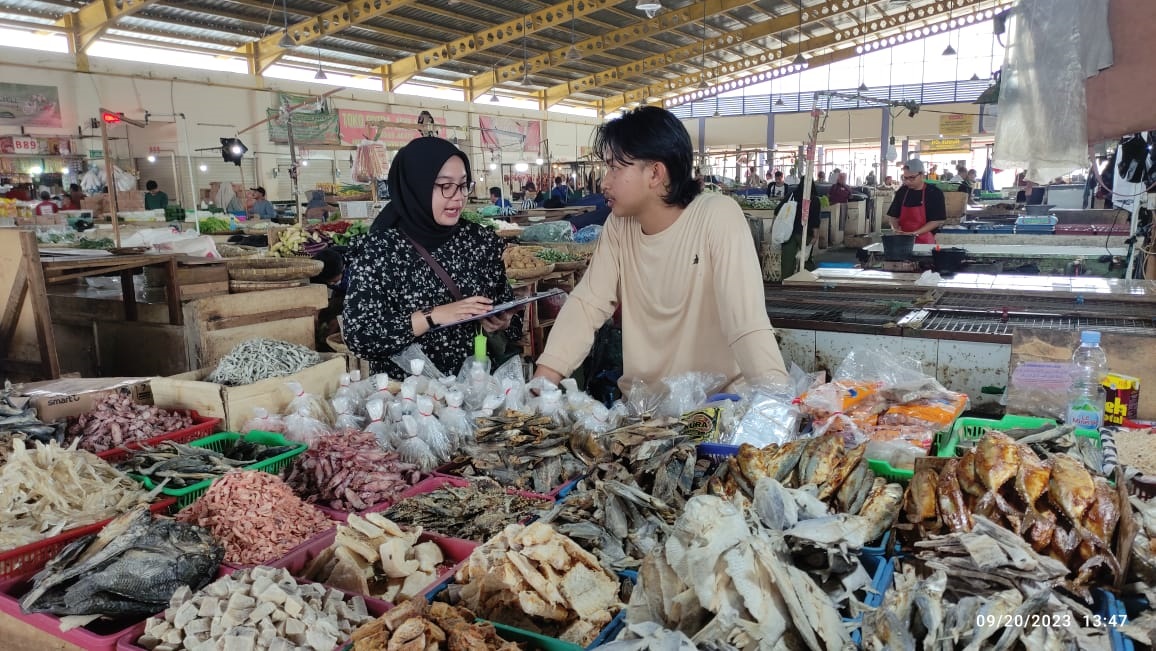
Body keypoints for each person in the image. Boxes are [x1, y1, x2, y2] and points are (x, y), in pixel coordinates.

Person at [531, 106, 789, 391]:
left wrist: (779, 399)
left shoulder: (717, 216)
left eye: (615, 168)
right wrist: (543, 381)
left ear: (655, 173)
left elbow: (746, 321)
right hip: (643, 410)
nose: (605, 182)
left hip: (715, 406)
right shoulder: (619, 225)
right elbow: (587, 304)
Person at [342, 136, 522, 377]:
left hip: (477, 388)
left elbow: (505, 308)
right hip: (407, 393)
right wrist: (434, 315)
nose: (458, 196)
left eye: (463, 185)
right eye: (445, 185)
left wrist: (503, 321)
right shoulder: (380, 250)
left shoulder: (480, 241)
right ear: (416, 186)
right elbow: (361, 337)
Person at [887, 159, 946, 244]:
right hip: (902, 239)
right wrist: (896, 230)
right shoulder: (902, 191)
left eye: (912, 178)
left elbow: (937, 221)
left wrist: (914, 233)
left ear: (922, 175)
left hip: (925, 242)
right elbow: (893, 216)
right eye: (905, 178)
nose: (907, 181)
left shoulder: (934, 193)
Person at [780, 178, 823, 281]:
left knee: (787, 260)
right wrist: (815, 236)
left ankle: (786, 281)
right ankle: (806, 281)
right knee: (806, 258)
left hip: (788, 233)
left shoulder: (792, 195)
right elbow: (815, 220)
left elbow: (778, 210)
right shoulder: (814, 200)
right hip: (805, 233)